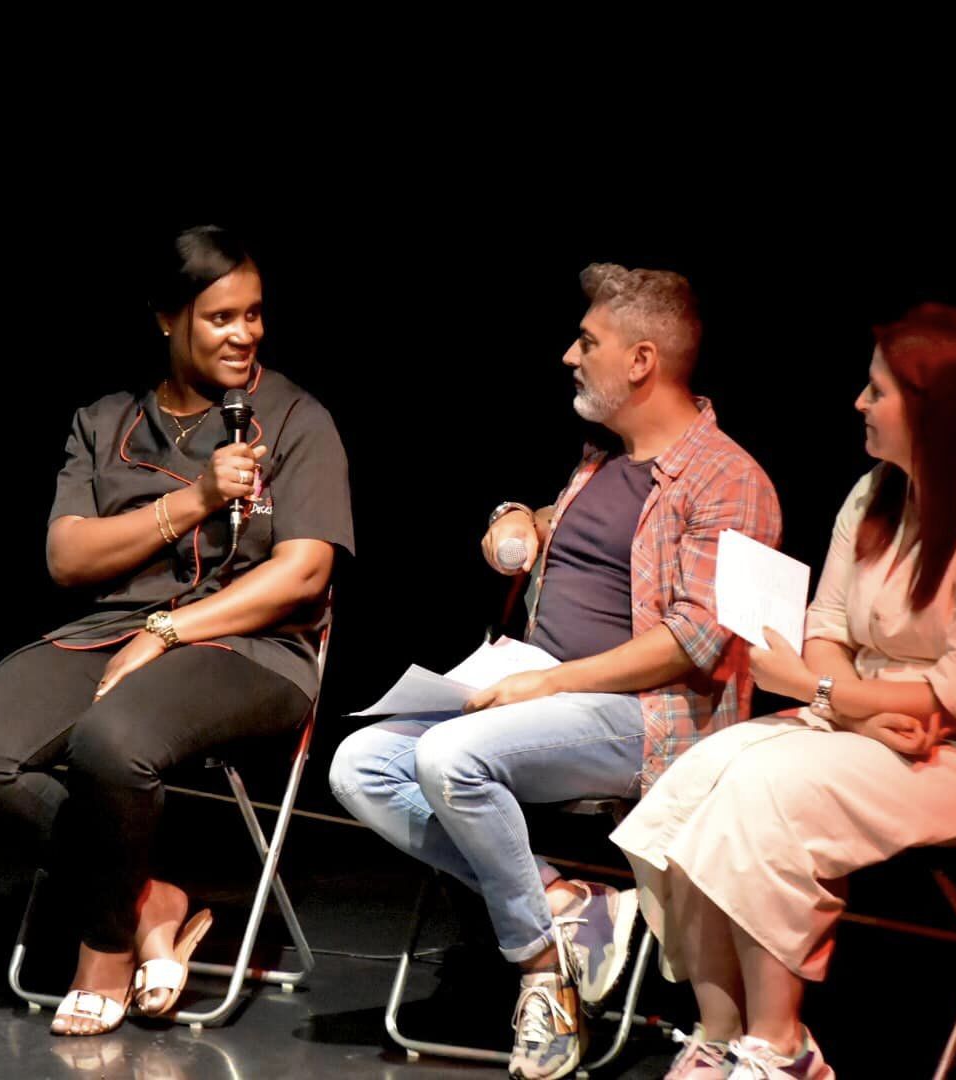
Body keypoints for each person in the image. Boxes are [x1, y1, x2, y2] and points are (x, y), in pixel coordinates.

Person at [330, 264, 779, 1079]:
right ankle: (569, 911)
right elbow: (598, 550)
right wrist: (522, 519)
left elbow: (697, 639)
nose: (571, 356)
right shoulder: (602, 458)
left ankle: (540, 973)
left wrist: (548, 683)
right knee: (360, 764)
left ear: (641, 361)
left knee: (450, 759)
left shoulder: (729, 479)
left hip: (645, 715)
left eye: (587, 341)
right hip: (540, 686)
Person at [611, 303, 956, 1079]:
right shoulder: (873, 496)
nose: (859, 403)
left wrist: (821, 689)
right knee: (700, 772)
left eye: (877, 391)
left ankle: (783, 1048)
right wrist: (852, 707)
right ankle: (720, 1032)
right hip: (867, 723)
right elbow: (825, 624)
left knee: (768, 793)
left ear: (932, 408)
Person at [0, 225, 353, 1037]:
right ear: (167, 318)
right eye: (221, 317)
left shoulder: (297, 419)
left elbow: (304, 572)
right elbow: (68, 557)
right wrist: (195, 501)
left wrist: (168, 630)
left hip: (254, 646)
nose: (245, 334)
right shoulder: (105, 422)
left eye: (254, 314)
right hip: (111, 629)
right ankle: (146, 897)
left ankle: (103, 949)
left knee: (111, 738)